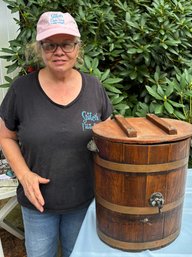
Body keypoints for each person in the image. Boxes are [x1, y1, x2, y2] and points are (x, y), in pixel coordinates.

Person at [0, 11, 113, 257]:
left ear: (77, 47)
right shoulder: (21, 90)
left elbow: (109, 135)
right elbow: (5, 136)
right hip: (37, 204)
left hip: (83, 200)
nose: (59, 51)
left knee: (78, 253)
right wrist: (24, 175)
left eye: (66, 44)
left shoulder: (94, 88)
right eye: (50, 45)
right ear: (40, 48)